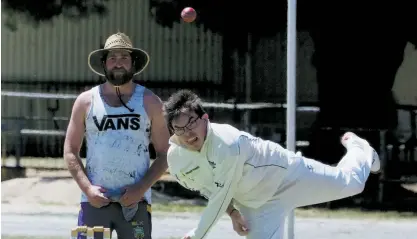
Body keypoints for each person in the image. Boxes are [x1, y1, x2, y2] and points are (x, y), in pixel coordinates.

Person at [164, 89, 381, 239]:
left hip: (288, 176)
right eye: (179, 128)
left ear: (205, 118)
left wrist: (197, 234)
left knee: (353, 183)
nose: (188, 133)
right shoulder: (177, 158)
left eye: (191, 122)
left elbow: (219, 198)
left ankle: (359, 150)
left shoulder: (226, 144)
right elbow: (207, 186)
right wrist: (233, 212)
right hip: (255, 204)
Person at [63, 32, 170, 239]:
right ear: (104, 64)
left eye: (124, 57)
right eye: (112, 57)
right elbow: (70, 151)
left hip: (135, 202)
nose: (118, 63)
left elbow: (166, 153)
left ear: (133, 63)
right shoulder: (86, 101)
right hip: (94, 201)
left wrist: (140, 188)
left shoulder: (150, 101)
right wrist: (88, 189)